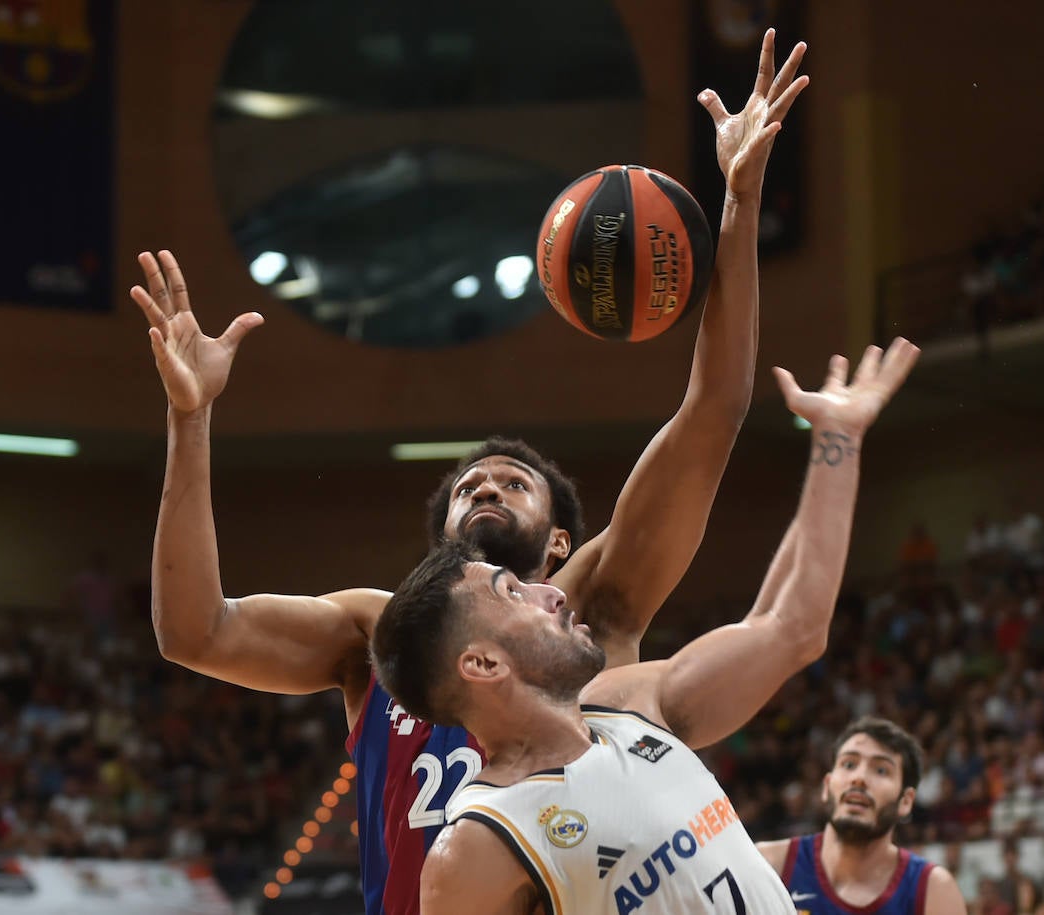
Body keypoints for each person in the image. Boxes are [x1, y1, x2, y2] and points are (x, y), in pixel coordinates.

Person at [131, 31, 808, 915]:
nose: (484, 488)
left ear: (561, 540)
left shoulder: (596, 609)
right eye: (468, 487)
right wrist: (191, 421)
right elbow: (194, 631)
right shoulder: (376, 636)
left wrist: (742, 200)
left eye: (512, 483)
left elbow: (713, 412)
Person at [372, 342, 920, 914]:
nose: (553, 591)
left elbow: (792, 626)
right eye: (513, 593)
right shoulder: (477, 845)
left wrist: (839, 439)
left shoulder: (626, 703)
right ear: (483, 664)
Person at [756, 718, 965, 915]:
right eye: (849, 764)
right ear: (827, 786)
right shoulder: (769, 864)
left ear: (906, 801)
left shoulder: (934, 890)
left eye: (881, 770)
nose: (859, 778)